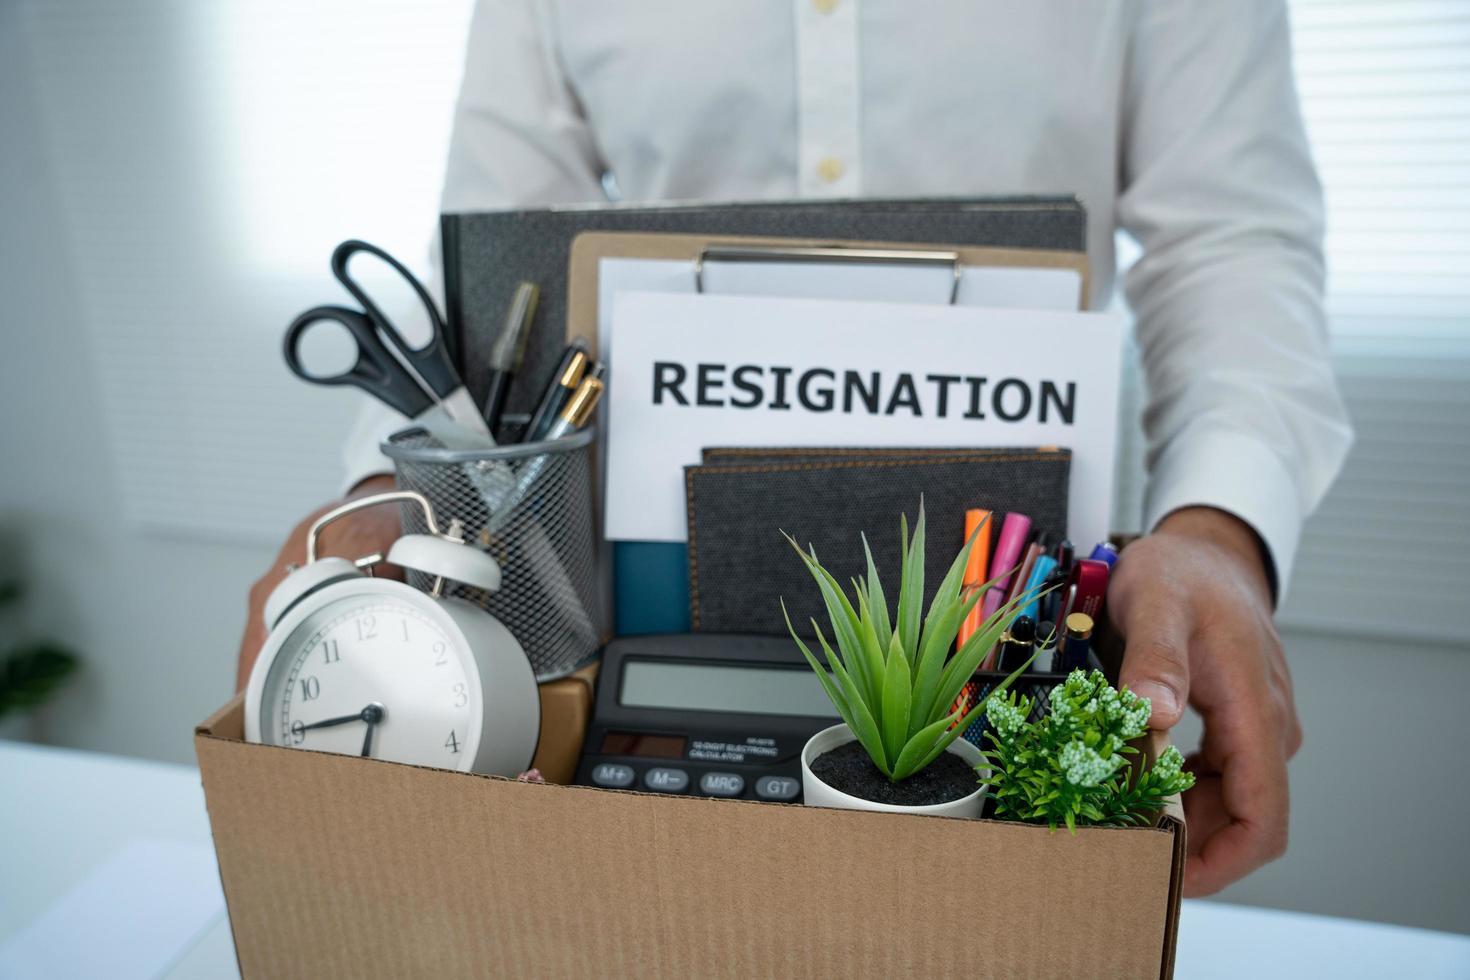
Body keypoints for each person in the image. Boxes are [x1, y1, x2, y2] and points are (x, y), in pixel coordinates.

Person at [237, 0, 1352, 897]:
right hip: (653, 570)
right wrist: (391, 488)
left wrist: (1221, 527)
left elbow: (1231, 235)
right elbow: (502, 263)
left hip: (1019, 599)